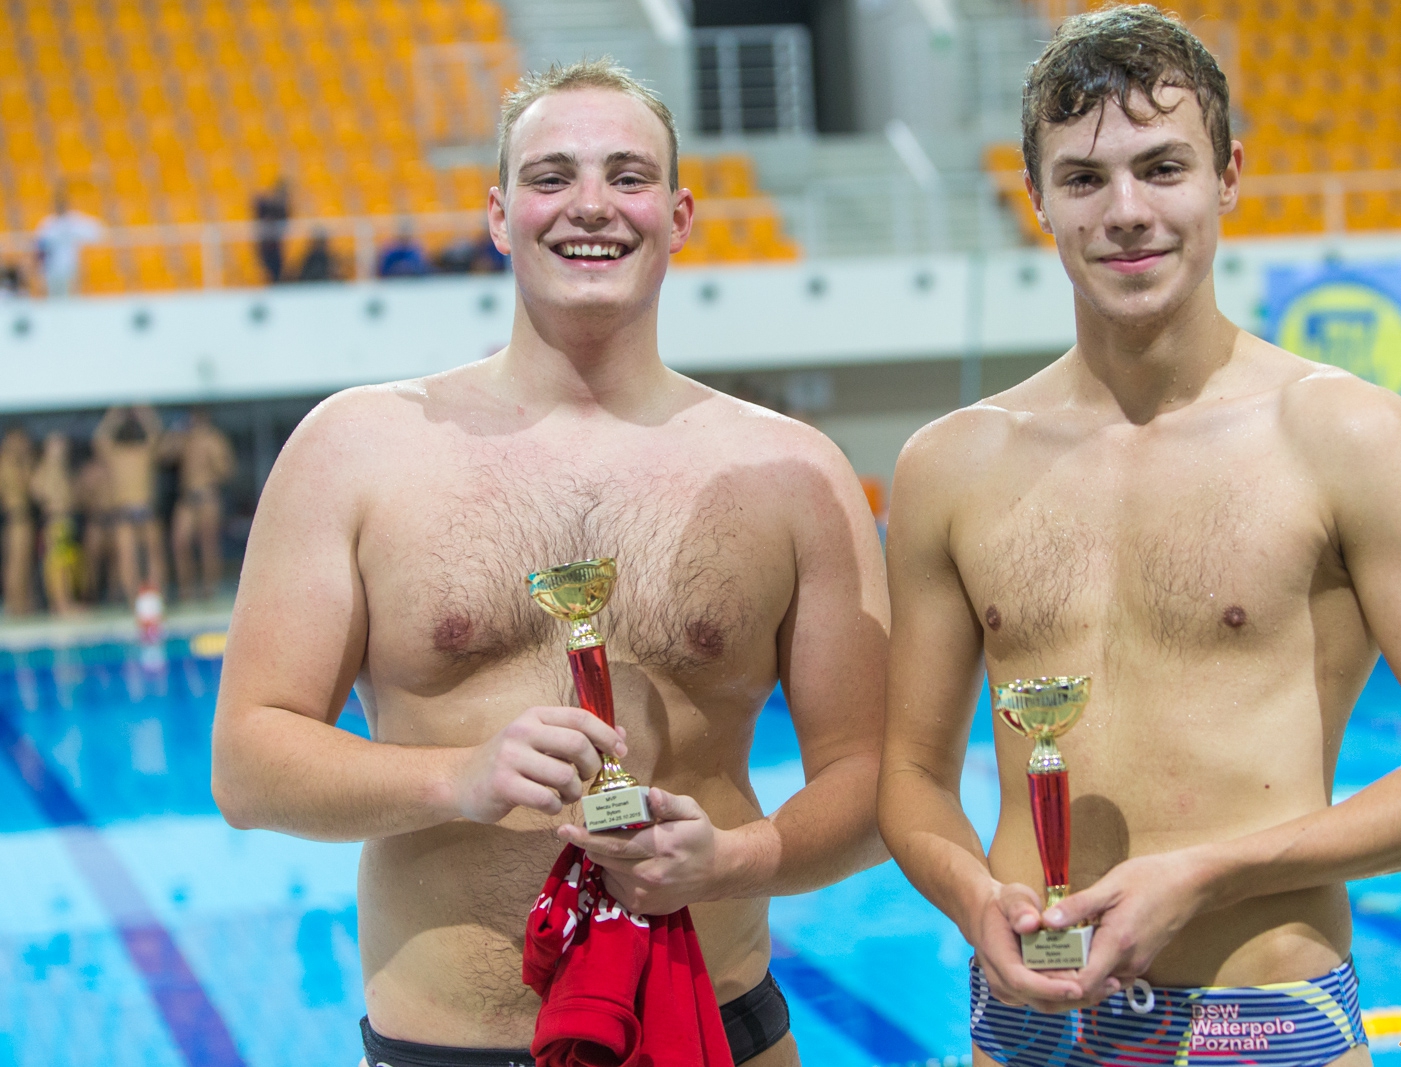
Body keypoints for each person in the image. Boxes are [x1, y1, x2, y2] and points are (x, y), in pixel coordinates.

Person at [876, 9, 1401, 1067]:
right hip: (1024, 1028)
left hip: (1262, 1019)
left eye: (1163, 166)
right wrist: (973, 899)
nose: (1127, 212)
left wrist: (1211, 871)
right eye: (1086, 178)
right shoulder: (948, 466)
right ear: (1036, 195)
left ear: (1227, 175)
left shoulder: (1347, 436)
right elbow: (910, 774)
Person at [211, 59, 889, 1067]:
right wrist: (458, 775)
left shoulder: (791, 471)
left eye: (626, 174)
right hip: (446, 1042)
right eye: (550, 175)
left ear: (679, 211)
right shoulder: (353, 450)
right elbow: (247, 764)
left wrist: (730, 859)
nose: (590, 206)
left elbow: (873, 781)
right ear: (498, 213)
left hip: (719, 1032)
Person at [94, 405, 167, 605]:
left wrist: (136, 410)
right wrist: (120, 412)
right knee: (130, 559)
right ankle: (136, 602)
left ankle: (153, 598)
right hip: (132, 512)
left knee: (149, 557)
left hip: (137, 511)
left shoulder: (135, 452)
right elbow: (101, 438)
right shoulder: (125, 453)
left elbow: (155, 432)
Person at [165, 408, 237, 601]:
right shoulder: (183, 439)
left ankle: (209, 590)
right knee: (180, 543)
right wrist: (175, 433)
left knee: (208, 545)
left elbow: (227, 472)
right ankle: (186, 590)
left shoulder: (214, 440)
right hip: (187, 498)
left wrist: (213, 460)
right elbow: (163, 456)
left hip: (207, 496)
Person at [30, 432, 81, 616]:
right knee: (57, 567)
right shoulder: (45, 468)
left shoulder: (62, 469)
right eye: (57, 444)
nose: (62, 447)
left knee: (66, 566)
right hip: (55, 522)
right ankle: (61, 605)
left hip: (64, 521)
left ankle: (65, 602)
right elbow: (35, 491)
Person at [34, 188, 104, 298]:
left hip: (71, 266)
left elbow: (97, 232)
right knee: (55, 297)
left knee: (73, 298)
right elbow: (39, 246)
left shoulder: (74, 221)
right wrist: (40, 268)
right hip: (51, 268)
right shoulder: (48, 224)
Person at [0, 428, 36, 615]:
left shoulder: (17, 461)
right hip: (16, 517)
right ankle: (15, 605)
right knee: (16, 564)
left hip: (20, 517)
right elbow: (23, 487)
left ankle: (20, 603)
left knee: (20, 563)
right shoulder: (6, 461)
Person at [74, 451, 115, 604]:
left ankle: (114, 596)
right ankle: (89, 598)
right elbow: (79, 499)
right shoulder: (87, 471)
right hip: (96, 520)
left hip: (114, 519)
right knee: (91, 563)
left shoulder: (114, 466)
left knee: (116, 561)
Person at [252, 177, 291, 284]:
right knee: (270, 270)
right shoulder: (268, 204)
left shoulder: (282, 206)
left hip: (275, 246)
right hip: (267, 246)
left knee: (277, 271)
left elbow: (286, 219)